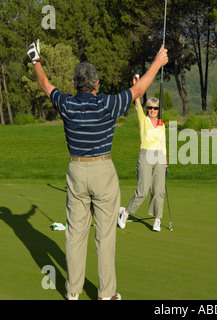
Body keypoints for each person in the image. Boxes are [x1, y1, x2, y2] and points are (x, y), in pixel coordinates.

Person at [26, 39, 168, 300]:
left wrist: (35, 59)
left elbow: (45, 85)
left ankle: (72, 292)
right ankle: (106, 295)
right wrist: (157, 63)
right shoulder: (108, 104)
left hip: (77, 172)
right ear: (96, 84)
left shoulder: (67, 105)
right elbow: (138, 90)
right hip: (103, 171)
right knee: (105, 237)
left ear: (74, 84)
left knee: (75, 236)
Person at [117, 75, 167, 232]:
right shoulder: (143, 120)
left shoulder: (162, 125)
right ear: (147, 110)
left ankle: (157, 219)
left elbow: (163, 145)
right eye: (150, 108)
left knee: (159, 191)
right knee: (143, 190)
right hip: (145, 155)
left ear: (159, 110)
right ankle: (125, 213)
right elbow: (137, 101)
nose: (152, 110)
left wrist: (166, 162)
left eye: (155, 108)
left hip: (159, 157)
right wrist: (137, 85)